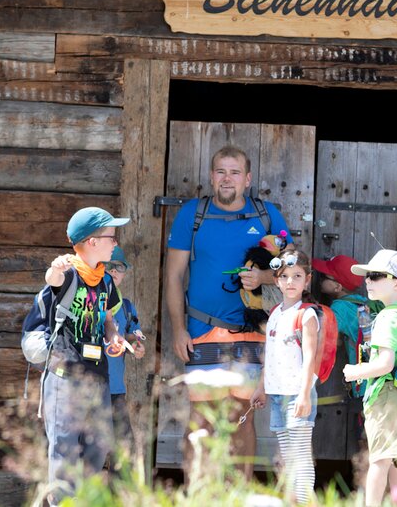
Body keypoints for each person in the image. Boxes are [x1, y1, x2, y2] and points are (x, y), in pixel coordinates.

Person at [163, 145, 289, 467]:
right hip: (202, 330)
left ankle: (239, 496)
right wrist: (178, 330)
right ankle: (196, 497)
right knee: (201, 422)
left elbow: (293, 272)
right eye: (221, 171)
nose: (227, 178)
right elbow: (174, 275)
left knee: (241, 419)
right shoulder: (193, 213)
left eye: (235, 172)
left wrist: (263, 276)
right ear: (211, 176)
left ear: (247, 179)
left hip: (252, 334)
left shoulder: (266, 214)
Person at [38, 207, 129, 503]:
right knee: (64, 454)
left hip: (98, 379)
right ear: (92, 242)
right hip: (65, 377)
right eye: (110, 237)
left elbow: (108, 318)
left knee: (97, 450)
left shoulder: (105, 281)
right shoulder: (68, 274)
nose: (115, 243)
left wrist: (114, 336)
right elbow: (51, 279)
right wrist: (56, 267)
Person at [342, 250, 397, 507]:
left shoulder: (387, 317)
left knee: (380, 460)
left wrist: (354, 372)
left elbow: (384, 364)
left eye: (376, 276)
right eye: (367, 276)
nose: (368, 281)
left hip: (386, 396)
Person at [251, 249, 320, 504]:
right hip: (278, 393)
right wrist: (262, 387)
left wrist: (304, 395)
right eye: (285, 277)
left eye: (297, 276)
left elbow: (310, 357)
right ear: (277, 280)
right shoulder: (275, 314)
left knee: (300, 455)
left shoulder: (307, 314)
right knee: (288, 456)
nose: (290, 282)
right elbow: (269, 356)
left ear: (307, 280)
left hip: (297, 394)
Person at [103, 246, 146, 474]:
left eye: (118, 267)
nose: (113, 271)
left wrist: (136, 346)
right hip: (88, 388)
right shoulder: (89, 301)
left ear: (125, 272)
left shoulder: (126, 307)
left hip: (115, 390)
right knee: (87, 450)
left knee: (123, 450)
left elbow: (134, 335)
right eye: (108, 266)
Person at [312, 254, 380, 369]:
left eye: (324, 277)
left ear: (338, 287)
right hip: (375, 365)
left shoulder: (340, 307)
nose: (320, 280)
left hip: (364, 374)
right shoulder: (362, 301)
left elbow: (326, 337)